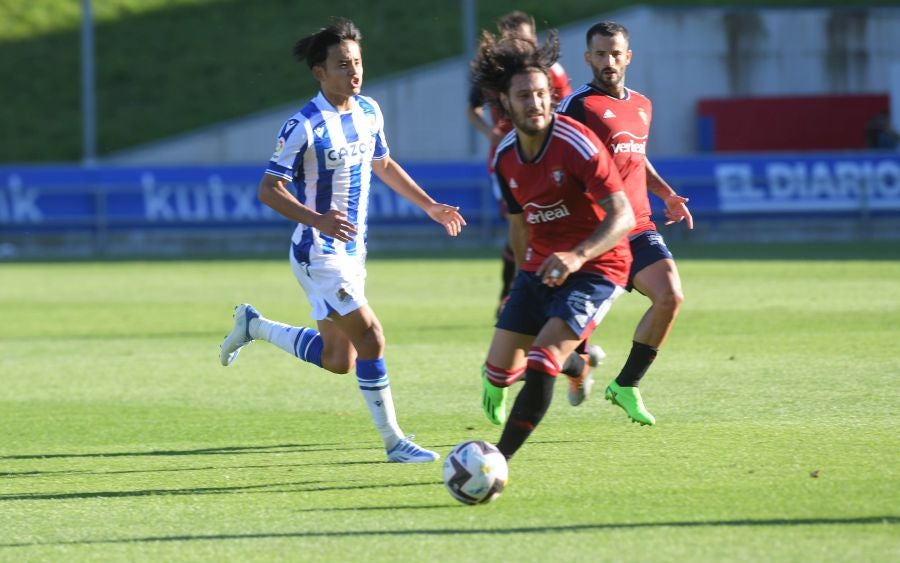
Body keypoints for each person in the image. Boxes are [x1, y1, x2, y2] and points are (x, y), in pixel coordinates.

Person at [218, 18, 466, 463]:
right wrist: (319, 219)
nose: (353, 72)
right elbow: (268, 189)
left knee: (340, 359)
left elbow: (383, 164)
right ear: (319, 71)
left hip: (352, 251)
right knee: (372, 337)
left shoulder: (369, 111)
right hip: (319, 251)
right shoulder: (303, 125)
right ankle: (395, 442)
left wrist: (430, 205)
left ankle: (253, 325)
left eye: (357, 63)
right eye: (342, 65)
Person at [471, 29, 636, 460]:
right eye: (525, 96)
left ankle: (497, 461)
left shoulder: (577, 144)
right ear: (505, 103)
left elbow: (623, 216)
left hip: (599, 266)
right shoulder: (506, 156)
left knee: (542, 361)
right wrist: (521, 280)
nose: (537, 103)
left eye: (543, 94)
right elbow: (518, 224)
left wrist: (578, 254)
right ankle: (579, 365)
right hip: (541, 266)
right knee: (498, 372)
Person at [556, 21, 693, 426]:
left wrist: (666, 194)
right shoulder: (579, 106)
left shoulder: (642, 106)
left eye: (615, 53)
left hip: (637, 226)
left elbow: (636, 158)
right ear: (588, 58)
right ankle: (573, 367)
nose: (608, 61)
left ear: (627, 56)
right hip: (593, 233)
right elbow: (557, 158)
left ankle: (626, 385)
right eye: (600, 54)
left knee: (670, 296)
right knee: (557, 344)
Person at [466, 11, 572, 316]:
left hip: (548, 159)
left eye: (527, 38)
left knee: (544, 224)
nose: (522, 45)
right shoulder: (495, 73)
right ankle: (517, 294)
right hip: (509, 162)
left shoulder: (554, 71)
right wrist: (492, 136)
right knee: (523, 225)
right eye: (515, 39)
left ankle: (534, 297)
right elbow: (471, 108)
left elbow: (563, 110)